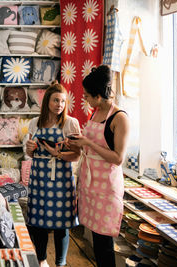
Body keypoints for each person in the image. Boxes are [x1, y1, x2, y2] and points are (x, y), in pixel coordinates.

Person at [68, 65, 130, 267]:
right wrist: (78, 142)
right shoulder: (96, 112)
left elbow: (118, 158)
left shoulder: (119, 118)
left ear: (98, 95)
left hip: (106, 188)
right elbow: (93, 147)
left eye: (87, 95)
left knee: (104, 244)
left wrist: (87, 143)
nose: (85, 99)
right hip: (91, 184)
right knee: (98, 240)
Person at [25, 82, 81, 267]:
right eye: (56, 100)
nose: (60, 104)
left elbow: (76, 155)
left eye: (63, 101)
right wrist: (30, 149)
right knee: (38, 222)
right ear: (47, 101)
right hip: (39, 178)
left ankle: (60, 263)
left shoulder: (70, 123)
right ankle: (42, 260)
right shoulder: (34, 123)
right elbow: (30, 154)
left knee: (62, 225)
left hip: (62, 179)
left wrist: (58, 154)